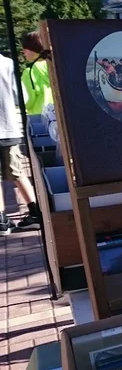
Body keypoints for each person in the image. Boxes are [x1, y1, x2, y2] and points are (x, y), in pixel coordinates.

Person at [0, 53, 41, 234]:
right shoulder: (8, 64)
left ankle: (1, 221)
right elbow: (21, 97)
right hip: (7, 126)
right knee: (18, 173)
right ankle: (34, 212)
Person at [20, 31, 53, 116]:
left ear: (34, 48)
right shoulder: (56, 68)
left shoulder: (29, 72)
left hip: (39, 118)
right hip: (60, 115)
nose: (23, 51)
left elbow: (28, 100)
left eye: (25, 48)